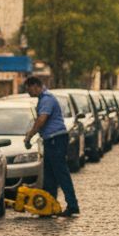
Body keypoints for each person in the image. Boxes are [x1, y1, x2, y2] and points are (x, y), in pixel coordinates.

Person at [24, 75, 79, 217]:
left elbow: (42, 119)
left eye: (29, 89)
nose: (28, 93)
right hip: (51, 140)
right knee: (49, 175)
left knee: (60, 173)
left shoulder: (47, 99)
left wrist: (30, 135)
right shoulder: (43, 99)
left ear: (35, 86)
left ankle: (72, 205)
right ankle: (48, 206)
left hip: (56, 140)